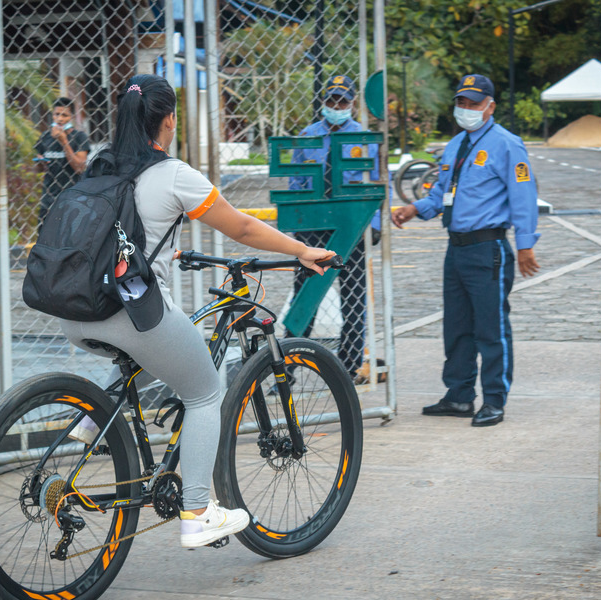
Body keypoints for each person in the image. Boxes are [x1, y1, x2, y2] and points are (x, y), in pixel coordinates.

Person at [58, 74, 335, 548]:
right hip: (133, 314)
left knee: (159, 354)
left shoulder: (100, 164)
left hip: (77, 309)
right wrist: (301, 250)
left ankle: (94, 419)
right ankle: (198, 512)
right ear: (169, 120)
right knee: (205, 390)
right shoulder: (173, 174)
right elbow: (243, 228)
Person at [391, 74, 540, 427]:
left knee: (490, 327)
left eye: (474, 103)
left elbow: (524, 197)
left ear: (490, 106)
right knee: (457, 326)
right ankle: (458, 396)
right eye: (461, 102)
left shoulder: (507, 144)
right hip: (456, 249)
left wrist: (525, 245)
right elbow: (441, 190)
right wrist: (415, 209)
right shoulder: (456, 144)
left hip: (488, 247)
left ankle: (494, 400)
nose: (467, 109)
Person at [287, 75, 387, 383]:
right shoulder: (307, 136)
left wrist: (374, 224)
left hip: (350, 226)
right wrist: (299, 226)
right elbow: (296, 182)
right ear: (323, 102)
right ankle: (286, 365)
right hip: (315, 228)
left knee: (354, 296)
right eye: (331, 100)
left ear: (353, 104)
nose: (336, 106)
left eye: (342, 101)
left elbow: (379, 181)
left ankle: (348, 366)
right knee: (305, 295)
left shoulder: (364, 138)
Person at [34, 97, 90, 221]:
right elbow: (38, 170)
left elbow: (80, 168)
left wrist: (64, 141)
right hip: (49, 197)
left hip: (73, 197)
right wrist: (40, 162)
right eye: (56, 114)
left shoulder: (79, 137)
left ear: (71, 117)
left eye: (64, 115)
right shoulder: (45, 137)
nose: (59, 119)